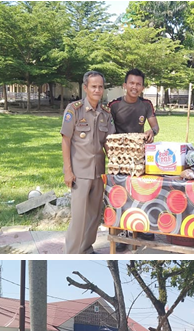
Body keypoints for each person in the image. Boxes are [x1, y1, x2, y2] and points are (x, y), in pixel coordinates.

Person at [61, 71, 115, 254]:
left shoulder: (106, 113)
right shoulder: (74, 110)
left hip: (98, 172)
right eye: (93, 86)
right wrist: (68, 171)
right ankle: (71, 253)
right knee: (79, 217)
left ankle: (86, 248)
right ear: (85, 88)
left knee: (94, 216)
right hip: (80, 172)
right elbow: (66, 140)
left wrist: (116, 164)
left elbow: (109, 142)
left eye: (100, 87)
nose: (97, 90)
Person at [108, 69, 158, 143]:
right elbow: (108, 130)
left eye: (138, 84)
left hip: (138, 146)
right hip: (118, 146)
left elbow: (155, 126)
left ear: (142, 88)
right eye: (132, 83)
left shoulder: (146, 104)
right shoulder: (114, 105)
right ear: (125, 85)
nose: (134, 87)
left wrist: (152, 131)